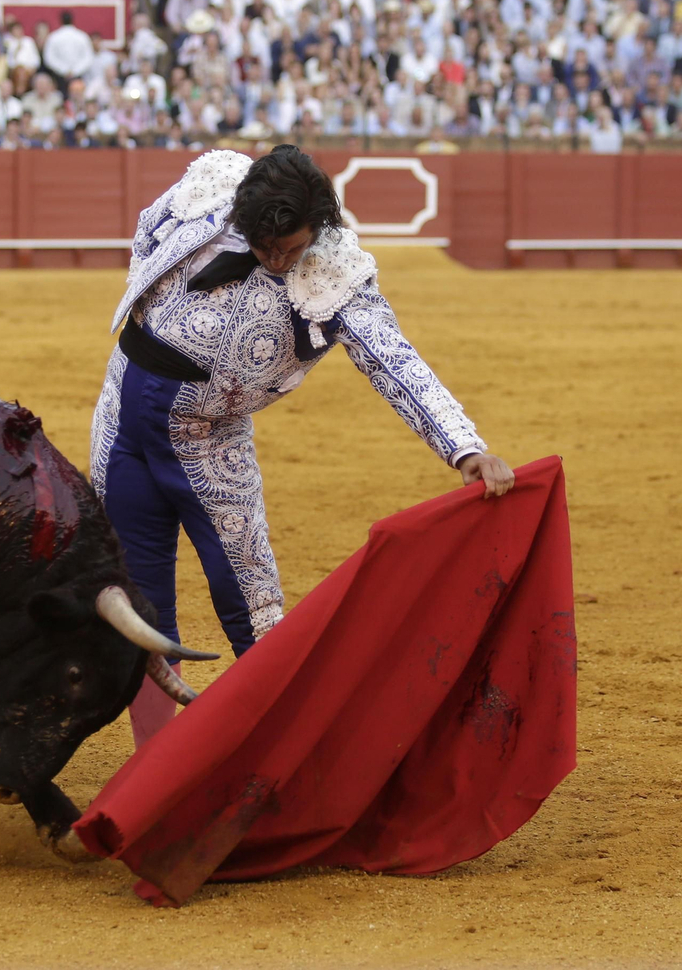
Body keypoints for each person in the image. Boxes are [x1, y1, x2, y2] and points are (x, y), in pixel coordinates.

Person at [90, 146, 515, 747]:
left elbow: (393, 361)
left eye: (288, 247)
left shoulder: (334, 273)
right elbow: (149, 229)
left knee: (254, 610)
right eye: (263, 244)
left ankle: (286, 761)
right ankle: (151, 771)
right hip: (122, 420)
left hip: (211, 445)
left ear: (318, 228)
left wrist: (465, 448)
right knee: (139, 608)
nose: (274, 258)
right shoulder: (214, 191)